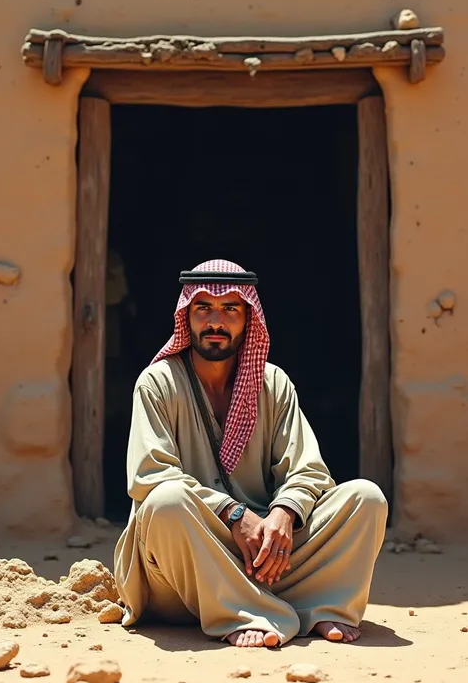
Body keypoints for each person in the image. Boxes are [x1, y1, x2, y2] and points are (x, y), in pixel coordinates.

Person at [114, 259, 388, 648]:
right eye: (203, 307)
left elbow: (309, 470)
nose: (215, 321)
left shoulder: (272, 382)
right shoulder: (158, 383)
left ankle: (323, 608)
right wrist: (233, 514)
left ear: (248, 319)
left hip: (264, 559)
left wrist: (283, 512)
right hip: (183, 571)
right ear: (186, 316)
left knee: (365, 497)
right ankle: (240, 612)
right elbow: (150, 475)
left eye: (230, 309)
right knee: (166, 502)